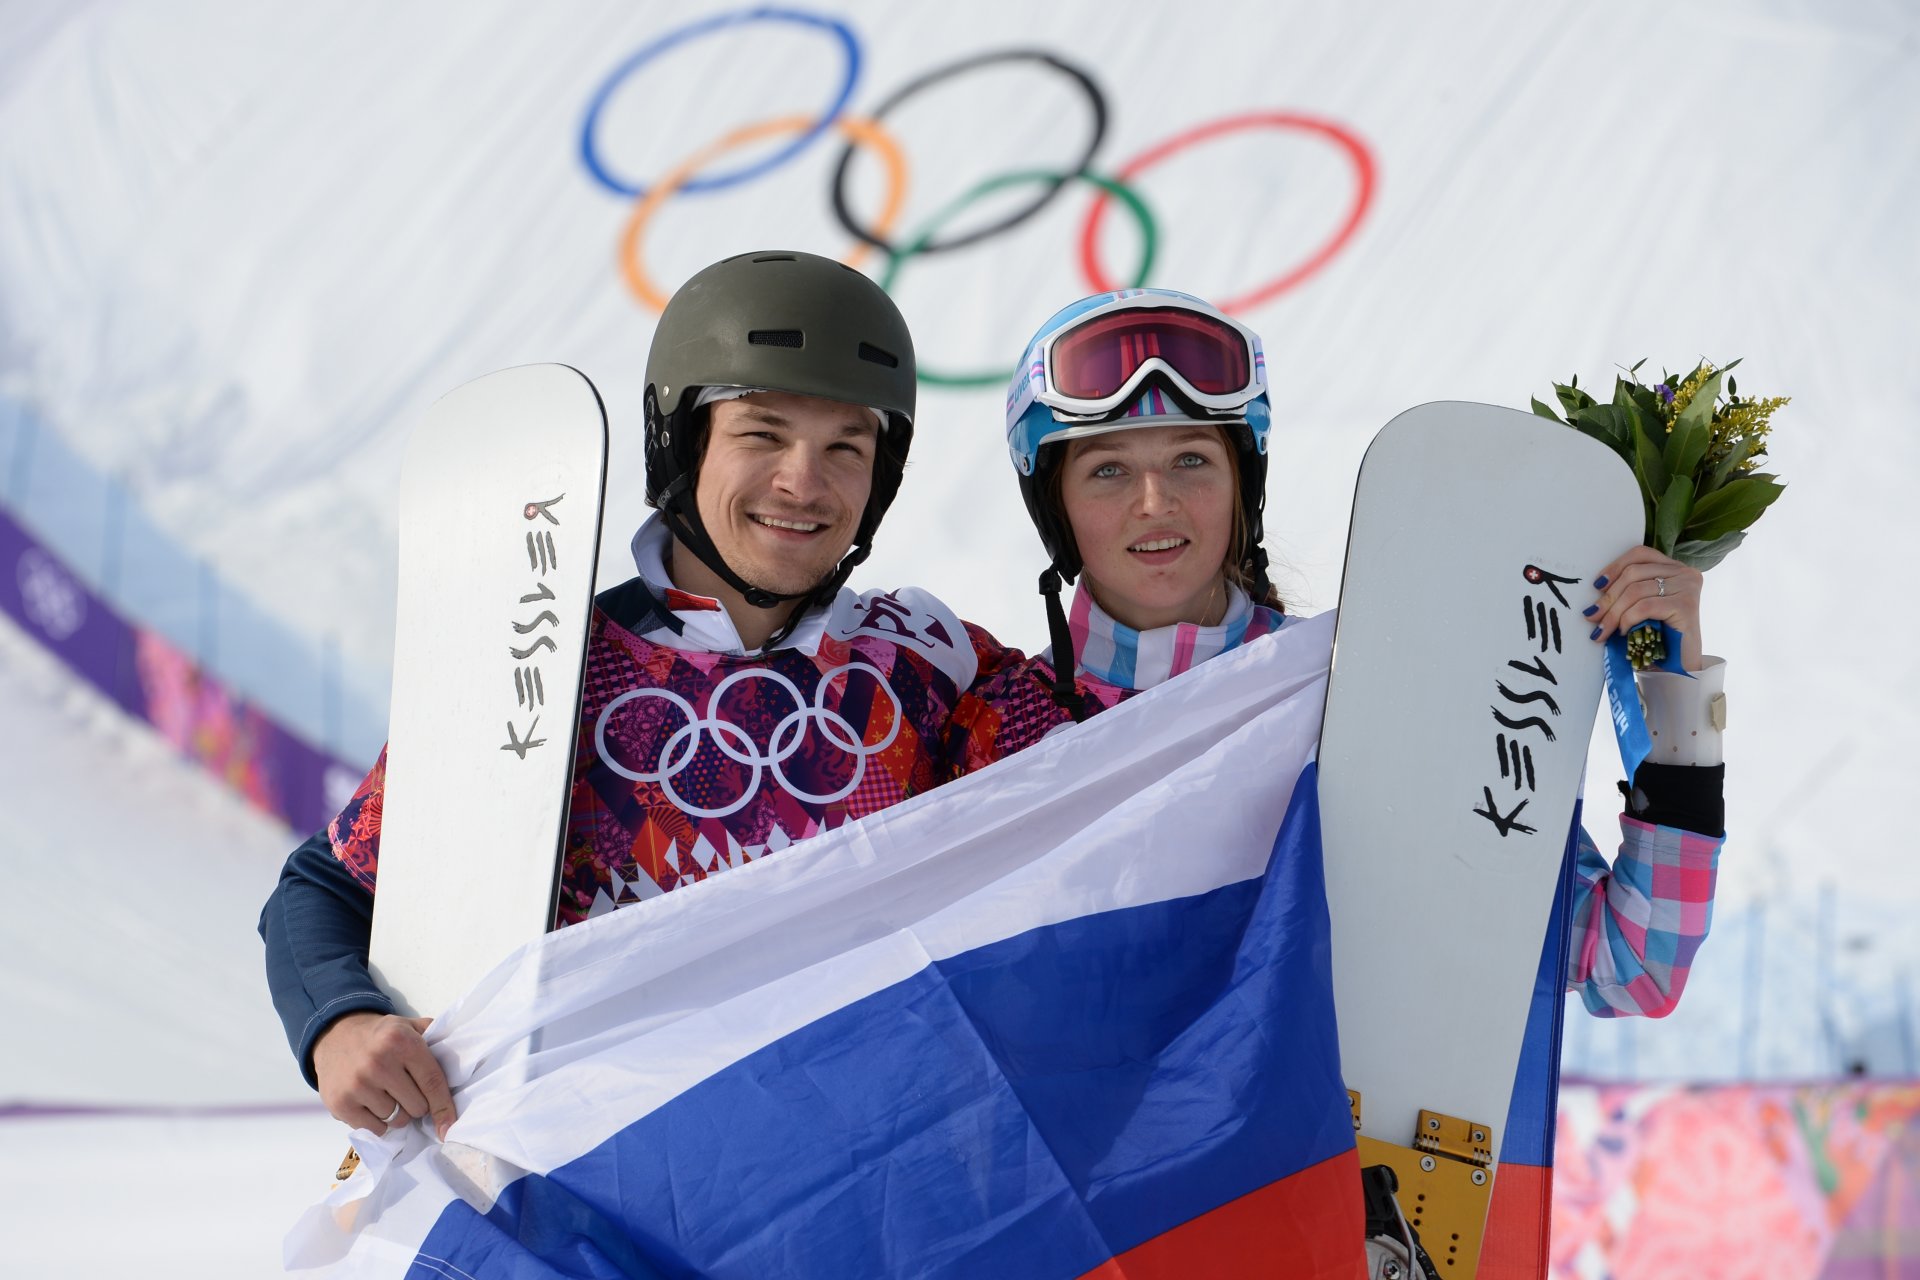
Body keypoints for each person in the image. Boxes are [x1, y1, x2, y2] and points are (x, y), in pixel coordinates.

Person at [260, 251, 1018, 1140]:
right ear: (682, 442)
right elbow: (329, 884)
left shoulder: (927, 665)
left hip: (854, 1169)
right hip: (605, 1176)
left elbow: (1116, 752)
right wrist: (341, 1022)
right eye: (762, 434)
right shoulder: (547, 667)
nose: (803, 483)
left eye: (846, 448)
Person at [946, 287, 1727, 1018]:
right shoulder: (997, 731)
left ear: (1241, 484)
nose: (1157, 503)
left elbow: (1631, 969)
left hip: (1318, 1164)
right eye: (1108, 469)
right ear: (1056, 507)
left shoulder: (1368, 693)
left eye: (1191, 459)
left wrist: (1673, 705)